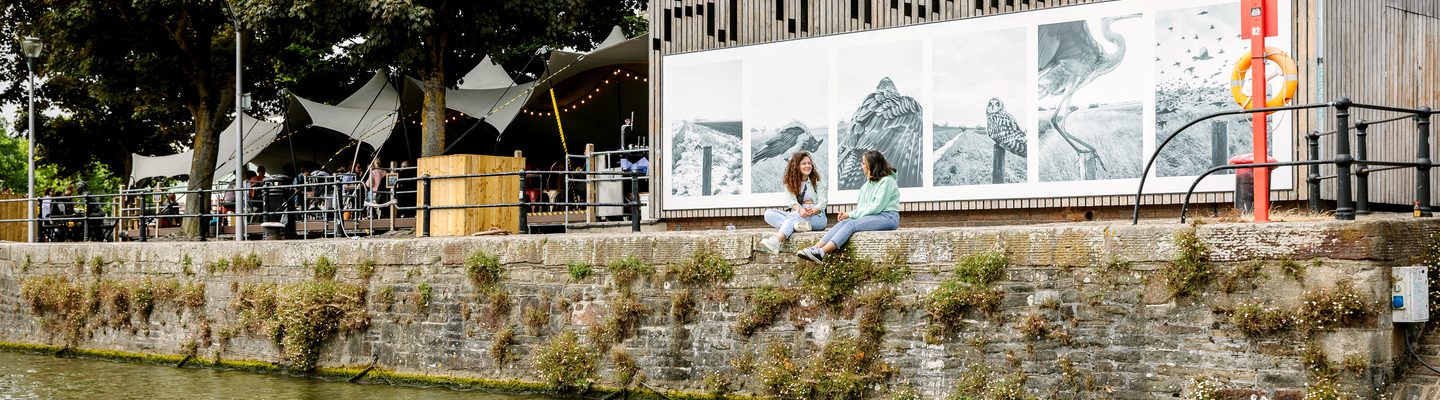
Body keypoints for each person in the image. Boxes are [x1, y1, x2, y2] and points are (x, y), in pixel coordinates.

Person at [797, 150, 900, 262]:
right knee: (844, 223)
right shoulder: (866, 186)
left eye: (864, 163)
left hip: (888, 217)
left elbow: (876, 207)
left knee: (852, 224)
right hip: (876, 216)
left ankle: (821, 253)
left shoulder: (887, 182)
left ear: (871, 165)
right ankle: (815, 248)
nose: (861, 165)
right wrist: (849, 216)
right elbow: (862, 208)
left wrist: (850, 214)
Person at [758, 151, 828, 254]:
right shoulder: (790, 182)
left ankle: (776, 241)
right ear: (796, 166)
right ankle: (798, 226)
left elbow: (823, 202)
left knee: (793, 216)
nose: (808, 166)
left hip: (818, 217)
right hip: (799, 213)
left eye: (809, 163)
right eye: (804, 164)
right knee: (768, 214)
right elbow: (791, 201)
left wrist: (813, 210)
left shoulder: (817, 180)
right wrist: (800, 210)